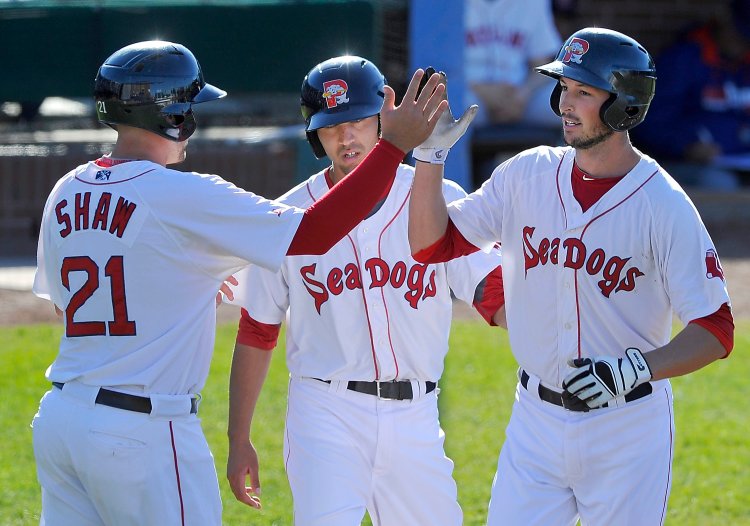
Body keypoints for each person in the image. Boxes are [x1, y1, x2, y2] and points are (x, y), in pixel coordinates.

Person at [30, 40, 448, 525]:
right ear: (175, 116)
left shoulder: (66, 189)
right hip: (142, 431)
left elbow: (69, 306)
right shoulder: (183, 193)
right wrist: (394, 148)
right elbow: (312, 232)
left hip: (61, 420)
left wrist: (179, 284)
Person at [408, 27, 734, 525]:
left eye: (583, 91)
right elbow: (432, 245)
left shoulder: (663, 204)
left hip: (626, 429)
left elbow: (716, 329)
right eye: (563, 88)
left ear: (624, 102)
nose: (565, 102)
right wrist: (430, 159)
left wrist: (636, 369)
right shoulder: (527, 174)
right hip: (534, 423)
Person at [225, 56, 504, 525]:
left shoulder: (435, 195)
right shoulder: (289, 216)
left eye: (357, 121)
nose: (347, 136)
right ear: (316, 134)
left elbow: (492, 292)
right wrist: (238, 437)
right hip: (325, 411)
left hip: (416, 413)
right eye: (332, 126)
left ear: (384, 120)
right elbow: (257, 330)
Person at [632, 0, 750, 190]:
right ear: (726, 21)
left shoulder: (745, 63)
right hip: (691, 164)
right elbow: (648, 122)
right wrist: (686, 146)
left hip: (741, 160)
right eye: (741, 35)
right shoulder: (684, 60)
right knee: (720, 183)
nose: (743, 44)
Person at [464, 0, 562, 128]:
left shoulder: (533, 3)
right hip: (468, 91)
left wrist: (523, 94)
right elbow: (439, 67)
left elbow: (541, 64)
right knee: (458, 108)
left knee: (565, 105)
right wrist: (480, 90)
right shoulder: (443, 4)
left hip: (519, 95)